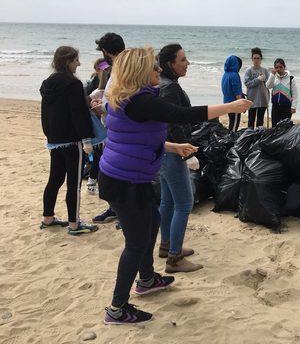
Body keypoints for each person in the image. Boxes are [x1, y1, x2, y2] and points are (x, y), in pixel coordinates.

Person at [100, 47, 251, 325]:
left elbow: (134, 138)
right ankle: (117, 309)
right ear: (140, 73)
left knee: (154, 219)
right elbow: (185, 113)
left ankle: (147, 279)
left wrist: (172, 146)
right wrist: (231, 107)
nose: (158, 71)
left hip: (128, 177)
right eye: (153, 67)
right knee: (135, 244)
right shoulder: (141, 102)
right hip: (125, 182)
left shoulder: (126, 99)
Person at [40, 46, 99, 235]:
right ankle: (74, 224)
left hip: (55, 139)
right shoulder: (72, 84)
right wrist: (87, 138)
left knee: (54, 179)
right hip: (72, 140)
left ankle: (47, 218)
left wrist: (49, 135)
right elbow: (78, 113)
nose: (79, 64)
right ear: (67, 61)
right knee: (74, 183)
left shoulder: (48, 83)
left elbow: (46, 113)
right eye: (76, 60)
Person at [157, 44, 203, 273]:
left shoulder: (167, 84)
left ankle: (166, 246)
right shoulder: (169, 89)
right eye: (183, 60)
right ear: (169, 64)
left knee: (167, 201)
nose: (187, 63)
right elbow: (172, 123)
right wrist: (186, 155)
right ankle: (174, 259)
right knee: (184, 203)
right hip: (173, 151)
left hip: (163, 151)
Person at [92, 33, 126, 224]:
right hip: (112, 127)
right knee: (113, 171)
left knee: (120, 172)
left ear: (106, 51)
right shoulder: (116, 68)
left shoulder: (124, 69)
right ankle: (116, 210)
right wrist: (102, 98)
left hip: (120, 129)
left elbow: (124, 99)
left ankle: (122, 212)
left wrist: (103, 107)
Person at [85, 58, 110, 194]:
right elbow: (91, 98)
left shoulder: (106, 82)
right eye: (104, 69)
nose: (107, 71)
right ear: (98, 70)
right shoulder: (94, 82)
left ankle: (93, 181)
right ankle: (92, 182)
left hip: (103, 125)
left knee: (101, 155)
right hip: (99, 127)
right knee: (100, 155)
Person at [266, 58, 298, 126]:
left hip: (287, 107)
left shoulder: (291, 79)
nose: (278, 69)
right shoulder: (273, 77)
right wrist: (272, 75)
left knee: (285, 127)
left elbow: (295, 94)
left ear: (284, 67)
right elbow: (268, 86)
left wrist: (293, 107)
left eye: (280, 67)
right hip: (275, 107)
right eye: (276, 67)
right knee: (274, 126)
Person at [243, 47, 270, 128]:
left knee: (260, 121)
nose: (256, 60)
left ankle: (258, 138)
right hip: (252, 100)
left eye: (258, 58)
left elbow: (269, 84)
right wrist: (257, 79)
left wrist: (265, 80)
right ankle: (249, 137)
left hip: (263, 99)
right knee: (251, 120)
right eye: (254, 58)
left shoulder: (265, 70)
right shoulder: (249, 71)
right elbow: (247, 83)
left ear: (261, 59)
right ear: (252, 59)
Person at [221, 55, 244, 131]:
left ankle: (229, 139)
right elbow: (237, 92)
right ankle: (231, 141)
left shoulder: (225, 74)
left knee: (231, 122)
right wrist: (242, 106)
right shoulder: (234, 75)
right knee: (234, 125)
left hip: (227, 102)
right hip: (235, 104)